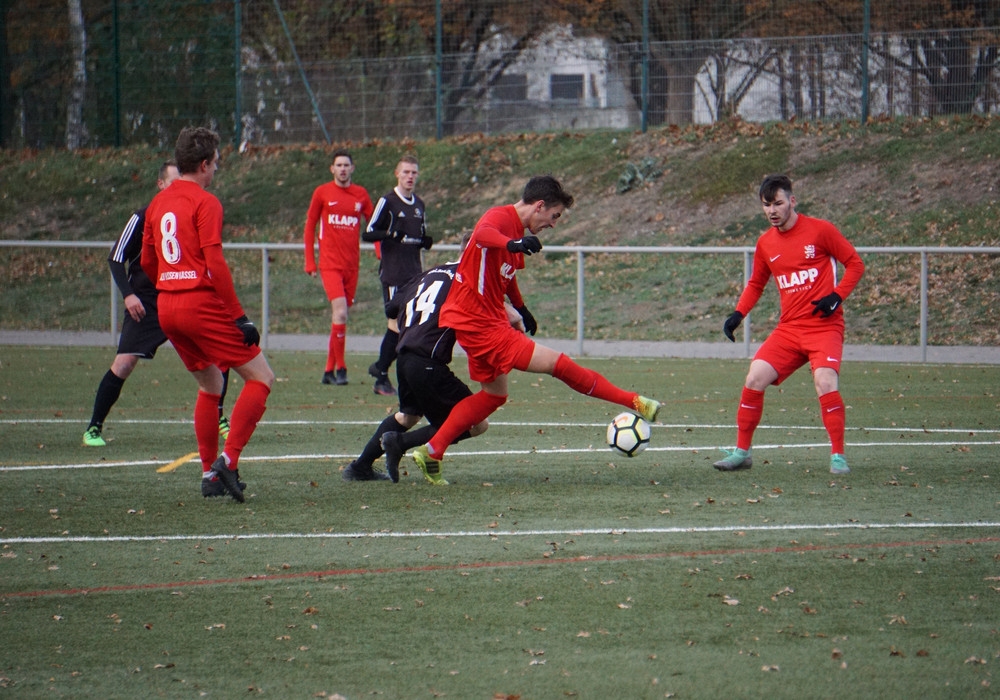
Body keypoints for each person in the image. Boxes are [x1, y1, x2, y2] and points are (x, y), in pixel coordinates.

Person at [410, 175, 662, 485]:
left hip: (481, 322)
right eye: (554, 216)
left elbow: (507, 273)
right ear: (539, 206)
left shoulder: (516, 231)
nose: (553, 224)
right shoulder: (500, 217)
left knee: (493, 396)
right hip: (481, 325)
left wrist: (521, 306)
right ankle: (636, 402)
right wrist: (512, 242)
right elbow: (483, 235)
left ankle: (432, 452)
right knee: (561, 365)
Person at [141, 126, 275, 502]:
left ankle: (208, 475)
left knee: (210, 386)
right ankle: (227, 463)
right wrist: (239, 316)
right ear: (203, 164)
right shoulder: (205, 201)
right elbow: (214, 262)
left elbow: (149, 261)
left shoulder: (158, 202)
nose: (216, 169)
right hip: (198, 303)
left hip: (167, 307)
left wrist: (169, 283)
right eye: (215, 163)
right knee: (261, 378)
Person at [714, 173, 865, 475]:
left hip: (824, 328)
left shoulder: (821, 231)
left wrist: (836, 296)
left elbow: (855, 264)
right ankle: (742, 453)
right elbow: (756, 283)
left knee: (825, 382)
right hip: (789, 329)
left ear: (792, 201)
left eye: (778, 203)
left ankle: (838, 456)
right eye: (766, 205)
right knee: (755, 378)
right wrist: (738, 314)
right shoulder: (766, 243)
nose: (772, 210)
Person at [342, 235, 524, 484]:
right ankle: (400, 442)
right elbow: (509, 315)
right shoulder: (468, 279)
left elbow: (391, 309)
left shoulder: (429, 273)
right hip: (427, 362)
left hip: (404, 356)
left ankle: (360, 467)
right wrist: (517, 321)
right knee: (477, 422)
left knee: (408, 416)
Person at [83, 161, 231, 447]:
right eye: (172, 183)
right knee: (124, 364)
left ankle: (219, 416)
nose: (178, 188)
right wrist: (129, 294)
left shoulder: (194, 213)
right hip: (147, 306)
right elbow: (116, 258)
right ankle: (94, 427)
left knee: (217, 356)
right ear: (160, 185)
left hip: (183, 299)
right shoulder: (142, 217)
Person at [303, 149, 374, 385]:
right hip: (330, 264)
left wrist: (379, 249)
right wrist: (310, 261)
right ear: (332, 169)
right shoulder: (322, 193)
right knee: (341, 312)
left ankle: (327, 371)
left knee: (340, 317)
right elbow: (310, 226)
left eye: (346, 165)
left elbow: (373, 224)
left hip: (352, 266)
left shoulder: (361, 194)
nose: (342, 169)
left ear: (352, 168)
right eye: (338, 165)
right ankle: (341, 369)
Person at [362, 155, 431, 396]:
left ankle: (381, 368)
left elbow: (417, 237)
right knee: (396, 326)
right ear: (397, 174)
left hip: (415, 274)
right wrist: (391, 235)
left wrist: (424, 241)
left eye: (414, 172)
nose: (410, 176)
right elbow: (368, 233)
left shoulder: (419, 204)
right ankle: (381, 375)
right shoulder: (387, 201)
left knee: (409, 326)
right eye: (406, 172)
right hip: (394, 275)